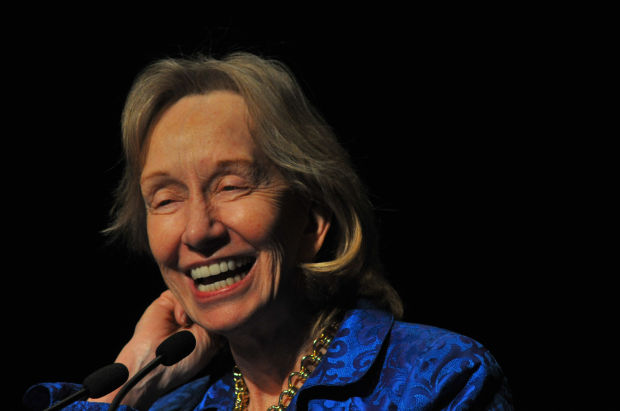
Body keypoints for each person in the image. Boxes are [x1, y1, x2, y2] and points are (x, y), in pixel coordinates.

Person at [24, 52, 513, 410]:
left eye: (231, 186)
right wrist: (128, 384)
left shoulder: (441, 377)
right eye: (166, 199)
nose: (197, 230)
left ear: (314, 220)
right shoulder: (176, 405)